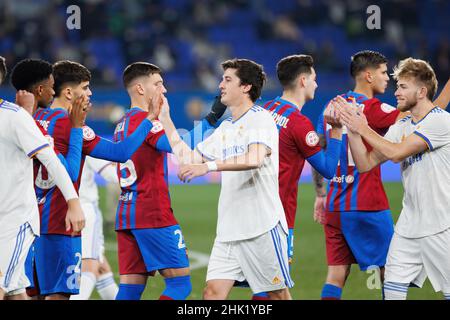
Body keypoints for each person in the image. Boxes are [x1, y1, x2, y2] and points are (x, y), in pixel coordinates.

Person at [154, 58, 299, 300]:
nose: (220, 85)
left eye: (228, 79)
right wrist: (166, 119)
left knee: (277, 295)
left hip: (261, 227)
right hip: (229, 232)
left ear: (246, 87)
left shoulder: (260, 119)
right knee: (212, 293)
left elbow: (254, 158)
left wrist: (209, 167)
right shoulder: (226, 128)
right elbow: (187, 158)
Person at [313, 51, 450, 300]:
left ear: (420, 92)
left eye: (402, 86)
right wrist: (355, 133)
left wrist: (361, 128)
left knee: (337, 275)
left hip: (439, 224)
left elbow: (397, 153)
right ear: (368, 75)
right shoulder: (391, 119)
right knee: (392, 284)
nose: (394, 89)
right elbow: (367, 163)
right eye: (391, 79)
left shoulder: (440, 122)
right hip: (393, 217)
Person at [30, 60, 158, 300]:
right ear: (69, 92)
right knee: (59, 295)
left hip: (33, 220)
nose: (90, 93)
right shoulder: (71, 124)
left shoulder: (37, 119)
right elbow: (121, 152)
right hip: (62, 222)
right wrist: (149, 119)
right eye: (86, 87)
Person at [112, 62, 226, 300]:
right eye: (158, 84)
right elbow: (181, 150)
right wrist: (211, 119)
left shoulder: (122, 123)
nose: (163, 90)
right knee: (179, 284)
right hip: (151, 213)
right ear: (141, 89)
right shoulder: (147, 122)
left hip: (126, 213)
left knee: (130, 289)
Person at [0, 56, 85, 300]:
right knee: (16, 293)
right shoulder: (22, 117)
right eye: (50, 85)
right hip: (25, 217)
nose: (53, 89)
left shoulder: (16, 116)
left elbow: (52, 161)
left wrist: (74, 202)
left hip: (14, 221)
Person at [70, 157, 119, 300]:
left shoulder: (48, 137)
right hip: (84, 211)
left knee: (101, 267)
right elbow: (113, 175)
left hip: (60, 210)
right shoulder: (83, 135)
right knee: (89, 266)